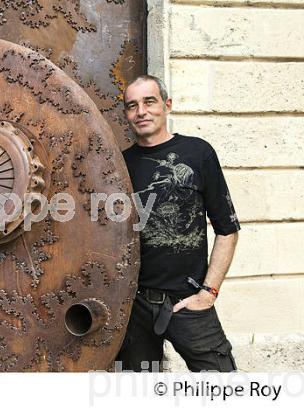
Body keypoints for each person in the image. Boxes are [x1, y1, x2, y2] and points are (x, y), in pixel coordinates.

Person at [116, 75, 240, 372]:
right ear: (126, 114)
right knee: (134, 394)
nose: (141, 111)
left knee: (227, 387)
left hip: (188, 303)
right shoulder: (119, 165)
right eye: (132, 106)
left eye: (149, 102)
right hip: (136, 307)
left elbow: (228, 230)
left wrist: (208, 293)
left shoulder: (198, 153)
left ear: (166, 105)